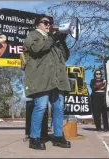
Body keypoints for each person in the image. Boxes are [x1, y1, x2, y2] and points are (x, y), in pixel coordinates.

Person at [22, 14, 72, 150]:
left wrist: (62, 41)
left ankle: (57, 136)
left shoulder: (52, 40)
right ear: (37, 24)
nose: (48, 25)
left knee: (59, 108)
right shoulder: (33, 35)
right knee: (41, 107)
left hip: (57, 79)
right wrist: (51, 38)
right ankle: (34, 138)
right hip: (42, 78)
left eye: (50, 23)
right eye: (45, 22)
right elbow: (37, 49)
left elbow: (65, 56)